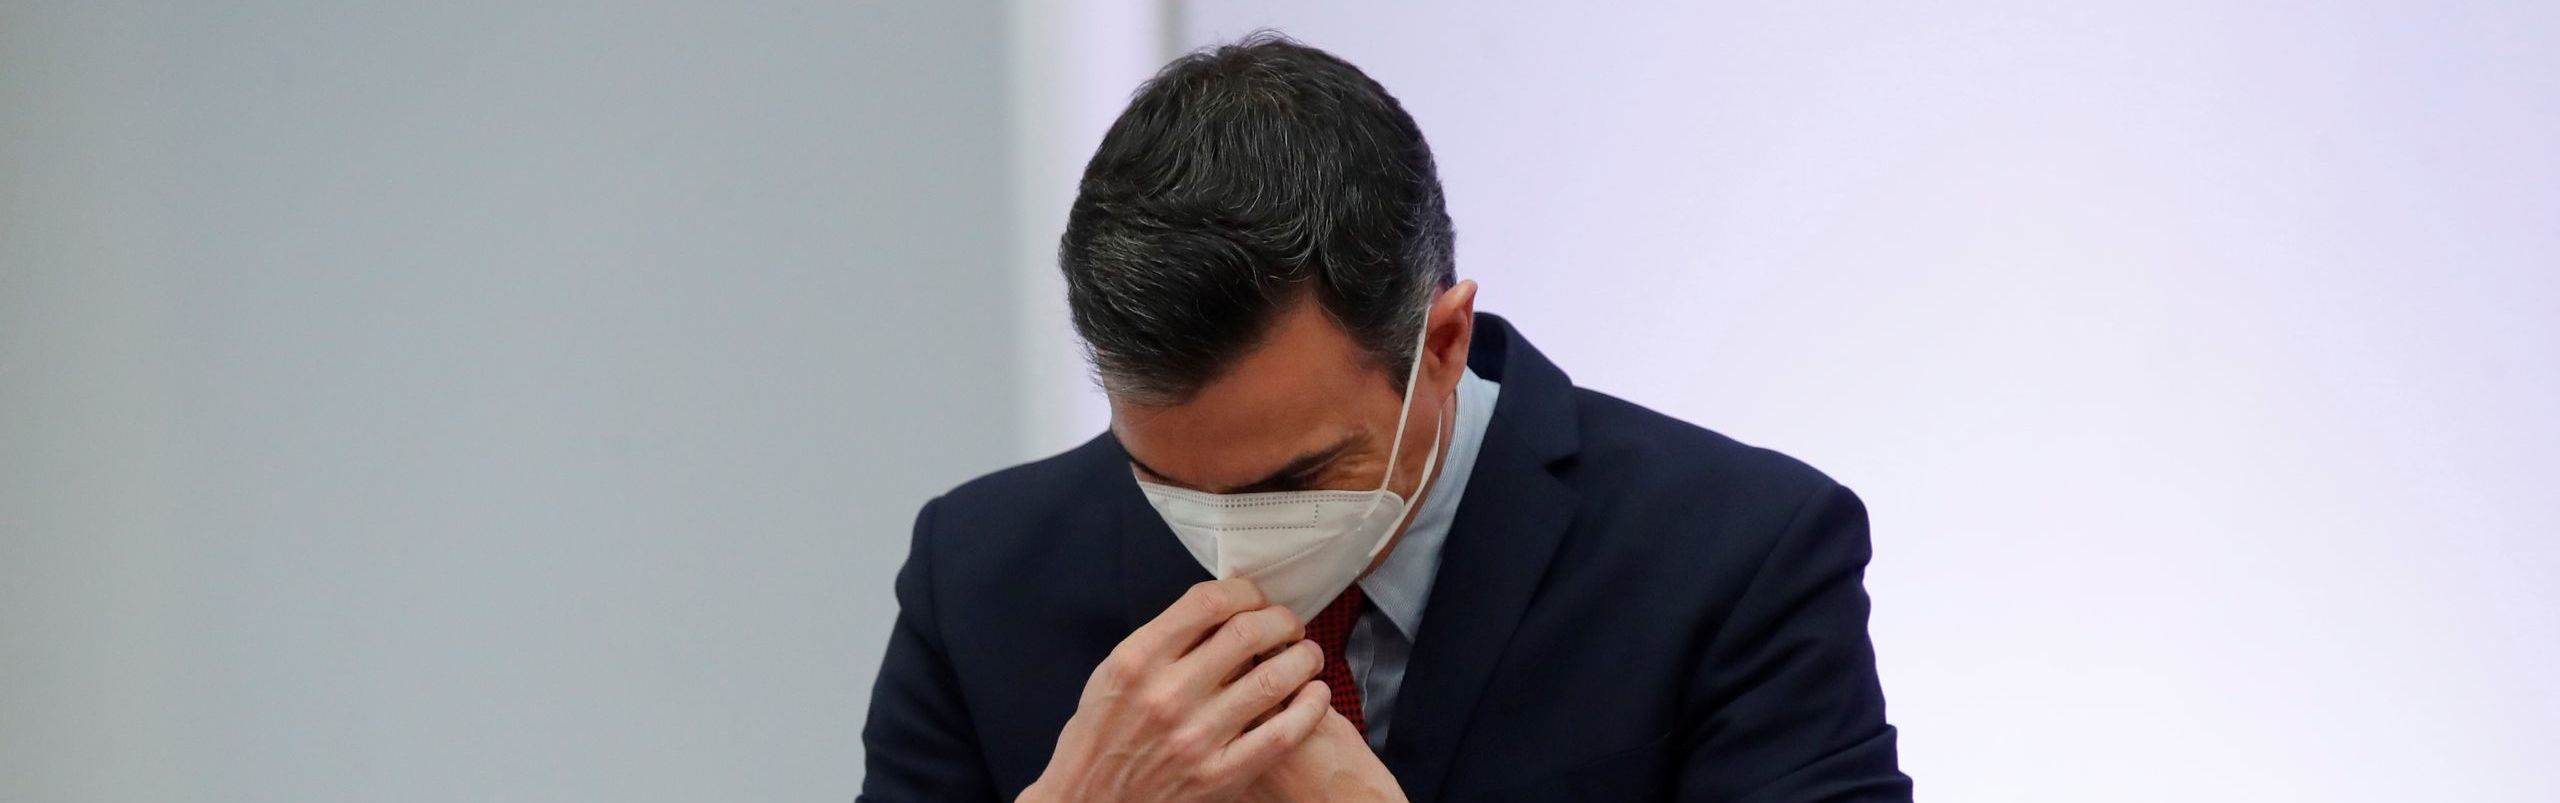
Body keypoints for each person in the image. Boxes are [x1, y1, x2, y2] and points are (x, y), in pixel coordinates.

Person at [859, 33, 1910, 802]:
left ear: (1441, 345)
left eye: (1297, 479)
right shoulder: (982, 574)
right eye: (1169, 483)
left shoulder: (1736, 556)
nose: (1231, 537)